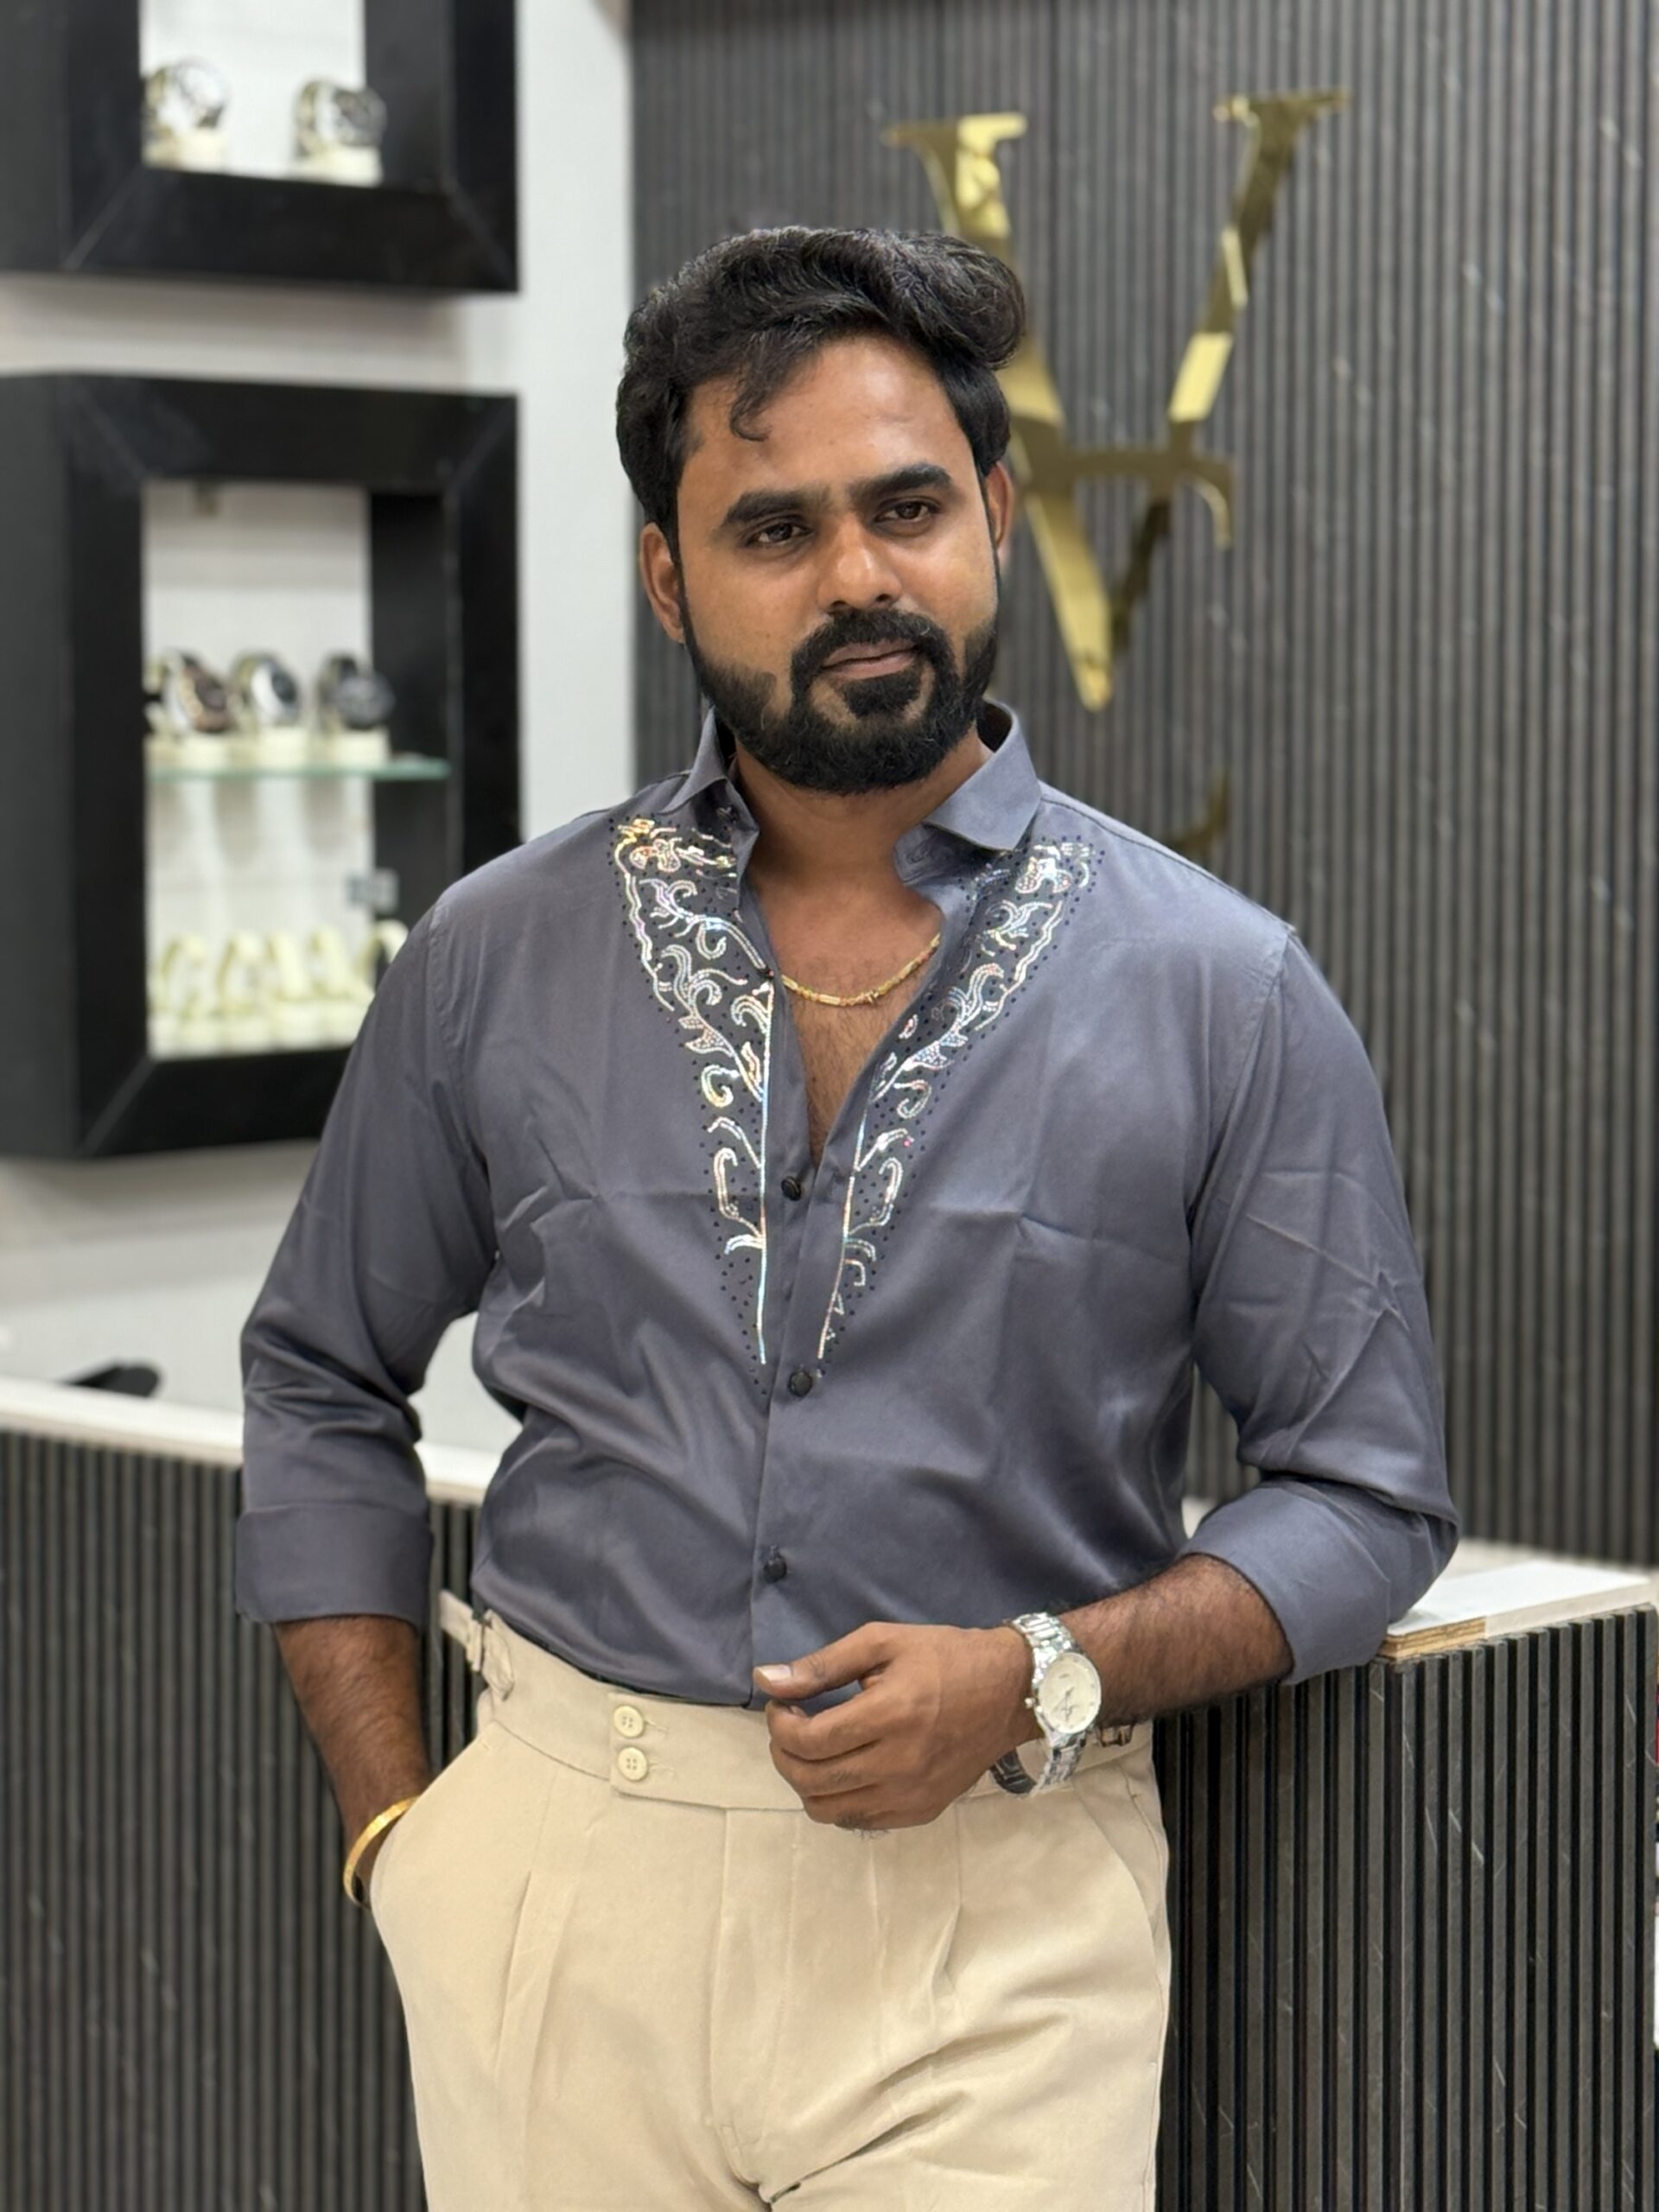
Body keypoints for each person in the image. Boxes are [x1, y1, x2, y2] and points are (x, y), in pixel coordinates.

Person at [235, 226, 1459, 2210]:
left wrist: (1042, 1670)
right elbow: (316, 1371)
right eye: (774, 528)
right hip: (560, 1891)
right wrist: (402, 1838)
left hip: (1002, 1915)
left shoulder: (1218, 988)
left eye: (906, 506)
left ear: (995, 512)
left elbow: (1368, 1496)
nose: (859, 575)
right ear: (669, 576)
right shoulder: (497, 953)